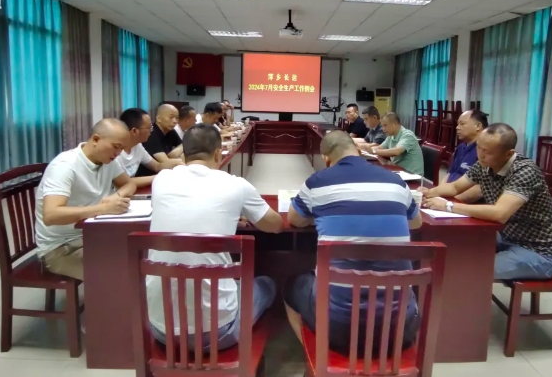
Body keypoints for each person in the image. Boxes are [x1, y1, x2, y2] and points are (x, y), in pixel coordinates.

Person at [284, 131, 423, 356]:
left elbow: (294, 220)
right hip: (400, 330)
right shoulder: (396, 182)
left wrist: (322, 213)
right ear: (358, 151)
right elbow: (416, 223)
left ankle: (316, 356)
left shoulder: (317, 182)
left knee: (292, 286)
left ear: (326, 159)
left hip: (338, 330)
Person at [147, 124, 284, 351]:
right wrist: (234, 212)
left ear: (183, 155)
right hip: (219, 332)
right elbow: (275, 226)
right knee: (266, 285)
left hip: (162, 331)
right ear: (218, 153)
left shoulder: (161, 180)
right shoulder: (236, 185)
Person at [421, 123, 552, 281]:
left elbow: (499, 214)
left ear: (509, 154)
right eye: (479, 148)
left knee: (469, 269)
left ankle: (463, 295)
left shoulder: (524, 171)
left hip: (538, 252)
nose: (480, 155)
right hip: (504, 237)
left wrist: (448, 206)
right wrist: (428, 193)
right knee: (453, 246)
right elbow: (455, 187)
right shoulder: (485, 164)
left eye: (487, 152)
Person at [34, 119, 137, 281]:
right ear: (96, 139)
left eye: (122, 149)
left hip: (91, 235)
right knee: (118, 275)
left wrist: (115, 197)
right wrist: (103, 209)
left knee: (137, 254)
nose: (118, 153)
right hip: (61, 248)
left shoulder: (108, 160)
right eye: (116, 147)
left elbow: (129, 184)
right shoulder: (65, 166)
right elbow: (51, 215)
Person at [118, 108, 181, 188]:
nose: (151, 131)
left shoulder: (138, 146)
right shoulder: (116, 152)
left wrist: (177, 164)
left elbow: (156, 166)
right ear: (134, 131)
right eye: (149, 128)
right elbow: (124, 182)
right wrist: (160, 177)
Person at [441, 110, 488, 203]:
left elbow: (480, 189)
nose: (457, 127)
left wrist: (449, 202)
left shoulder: (485, 150)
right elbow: (450, 173)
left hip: (465, 204)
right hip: (449, 198)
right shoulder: (461, 147)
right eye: (458, 124)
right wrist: (439, 193)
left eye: (462, 124)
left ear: (478, 126)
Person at [137, 104, 184, 177]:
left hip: (163, 173)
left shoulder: (170, 131)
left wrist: (181, 148)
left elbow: (185, 145)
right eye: (171, 117)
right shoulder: (150, 134)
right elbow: (165, 161)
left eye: (177, 118)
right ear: (159, 118)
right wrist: (183, 160)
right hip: (148, 175)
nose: (175, 121)